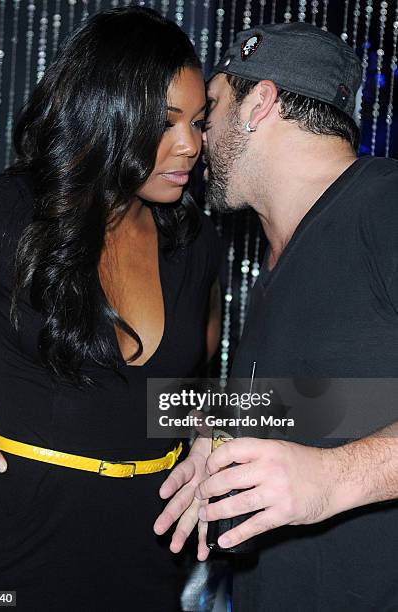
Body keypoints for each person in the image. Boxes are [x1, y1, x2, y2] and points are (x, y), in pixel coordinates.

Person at [0, 7, 221, 611]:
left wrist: (235, 425)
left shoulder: (195, 240)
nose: (190, 146)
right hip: (6, 561)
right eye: (167, 121)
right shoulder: (3, 217)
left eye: (199, 123)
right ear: (106, 111)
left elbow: (181, 393)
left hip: (146, 557)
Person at [155, 22, 398, 611]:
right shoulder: (283, 254)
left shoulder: (386, 203)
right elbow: (345, 399)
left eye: (210, 107)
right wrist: (211, 425)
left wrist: (333, 479)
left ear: (259, 103)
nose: (197, 134)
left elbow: (330, 460)